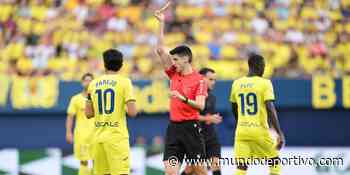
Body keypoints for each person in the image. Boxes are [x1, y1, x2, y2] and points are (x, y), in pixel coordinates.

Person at [154, 2, 208, 175]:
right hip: (174, 130)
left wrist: (181, 97)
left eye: (176, 60)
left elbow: (200, 106)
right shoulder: (173, 74)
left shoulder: (199, 80)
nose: (173, 63)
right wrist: (161, 23)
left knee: (199, 171)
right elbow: (160, 51)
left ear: (186, 59)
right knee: (170, 172)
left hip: (191, 129)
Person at [229, 53, 285, 175]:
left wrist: (241, 122)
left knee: (241, 168)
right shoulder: (265, 83)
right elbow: (270, 108)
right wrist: (279, 132)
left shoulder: (236, 83)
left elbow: (234, 108)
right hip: (259, 131)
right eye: (263, 66)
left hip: (241, 131)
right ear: (258, 66)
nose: (264, 69)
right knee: (274, 163)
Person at [85, 49, 137, 175]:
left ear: (104, 64)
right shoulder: (125, 82)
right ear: (121, 64)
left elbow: (88, 114)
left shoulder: (93, 84)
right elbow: (132, 112)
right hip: (116, 138)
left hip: (98, 139)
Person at [182, 67, 223, 175]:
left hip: (211, 137)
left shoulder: (212, 97)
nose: (213, 82)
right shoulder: (192, 95)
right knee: (190, 169)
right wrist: (208, 118)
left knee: (216, 166)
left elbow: (208, 117)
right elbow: (189, 116)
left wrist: (211, 119)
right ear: (201, 79)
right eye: (210, 79)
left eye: (214, 80)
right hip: (196, 138)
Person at [66, 73, 94, 175]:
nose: (88, 82)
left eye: (90, 80)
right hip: (81, 135)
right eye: (86, 80)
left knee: (97, 161)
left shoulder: (97, 98)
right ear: (82, 83)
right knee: (84, 161)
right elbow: (70, 116)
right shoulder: (76, 99)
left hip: (95, 134)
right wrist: (68, 132)